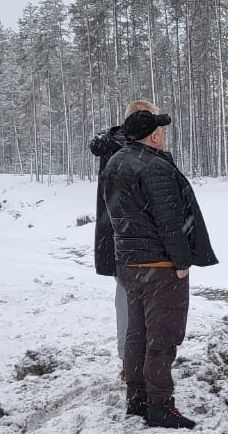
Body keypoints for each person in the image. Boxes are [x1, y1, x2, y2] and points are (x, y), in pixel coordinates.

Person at [102, 100, 219, 428]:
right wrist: (182, 261)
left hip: (129, 265)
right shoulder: (154, 167)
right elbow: (170, 221)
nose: (164, 135)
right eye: (161, 130)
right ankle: (160, 405)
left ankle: (136, 397)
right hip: (161, 268)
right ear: (152, 136)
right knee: (162, 337)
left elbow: (114, 216)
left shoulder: (115, 162)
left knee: (136, 334)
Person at [90, 122, 129, 377]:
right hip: (127, 240)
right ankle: (131, 361)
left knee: (125, 298)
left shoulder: (112, 149)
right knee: (129, 300)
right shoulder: (125, 154)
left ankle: (130, 360)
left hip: (117, 239)